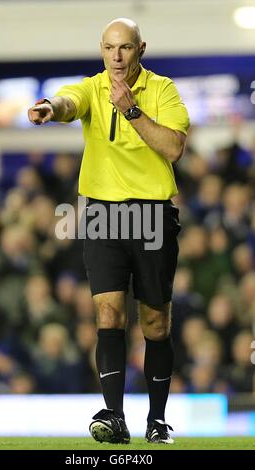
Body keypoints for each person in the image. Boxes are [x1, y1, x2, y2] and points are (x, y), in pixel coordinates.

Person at [28, 18, 189, 445]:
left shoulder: (163, 90)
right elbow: (68, 102)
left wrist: (131, 110)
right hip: (102, 214)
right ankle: (114, 416)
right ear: (102, 50)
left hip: (153, 214)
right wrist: (50, 107)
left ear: (141, 49)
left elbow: (174, 147)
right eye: (109, 48)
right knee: (107, 313)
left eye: (125, 48)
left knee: (155, 322)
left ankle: (157, 421)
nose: (116, 57)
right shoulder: (92, 87)